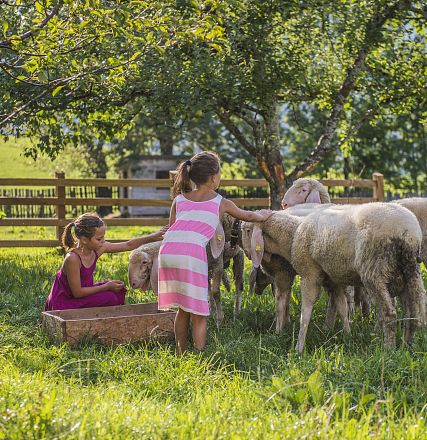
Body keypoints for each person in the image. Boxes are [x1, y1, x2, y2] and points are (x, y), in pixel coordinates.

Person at [158, 151, 272, 354]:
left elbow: (171, 228)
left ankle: (180, 353)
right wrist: (263, 215)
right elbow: (247, 215)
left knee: (183, 308)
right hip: (191, 253)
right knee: (199, 312)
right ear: (213, 177)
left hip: (168, 250)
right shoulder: (221, 202)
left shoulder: (179, 200)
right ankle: (199, 356)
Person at [45, 212, 166, 311]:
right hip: (64, 303)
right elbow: (77, 292)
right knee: (110, 296)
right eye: (99, 239)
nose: (103, 241)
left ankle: (98, 315)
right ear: (84, 240)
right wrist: (106, 286)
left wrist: (152, 237)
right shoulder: (72, 258)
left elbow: (128, 245)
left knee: (118, 292)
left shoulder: (97, 248)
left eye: (103, 237)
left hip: (83, 294)